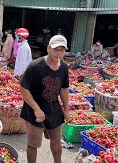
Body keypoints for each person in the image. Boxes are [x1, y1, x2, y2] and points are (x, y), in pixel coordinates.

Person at [20, 35, 70, 163]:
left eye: (62, 50)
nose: (58, 53)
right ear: (48, 48)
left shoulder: (64, 67)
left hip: (53, 109)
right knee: (33, 144)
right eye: (55, 49)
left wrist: (66, 109)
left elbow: (64, 89)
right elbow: (23, 88)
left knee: (56, 140)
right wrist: (36, 109)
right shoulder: (35, 66)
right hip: (34, 111)